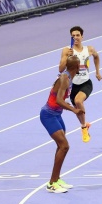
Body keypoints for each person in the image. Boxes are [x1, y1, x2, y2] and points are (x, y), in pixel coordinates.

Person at [41, 56, 83, 193]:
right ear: (76, 67)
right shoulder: (65, 79)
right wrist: (74, 110)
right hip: (48, 115)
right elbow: (59, 100)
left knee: (61, 146)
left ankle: (56, 179)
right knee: (64, 146)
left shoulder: (67, 77)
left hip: (57, 115)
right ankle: (51, 183)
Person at [58, 26, 102, 143]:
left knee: (78, 101)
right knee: (78, 110)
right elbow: (61, 69)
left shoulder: (89, 49)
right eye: (73, 36)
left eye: (77, 35)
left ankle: (83, 129)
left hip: (85, 83)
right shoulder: (66, 50)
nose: (75, 37)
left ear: (82, 37)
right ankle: (84, 125)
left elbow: (96, 57)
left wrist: (97, 72)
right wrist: (67, 57)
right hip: (72, 86)